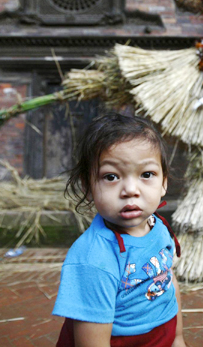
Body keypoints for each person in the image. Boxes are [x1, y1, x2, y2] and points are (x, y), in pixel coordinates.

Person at [53, 112, 186, 347]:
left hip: (161, 334)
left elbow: (167, 281)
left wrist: (177, 339)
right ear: (88, 186)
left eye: (147, 174)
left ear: (164, 182)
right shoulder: (94, 259)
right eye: (111, 176)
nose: (130, 190)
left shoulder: (158, 227)